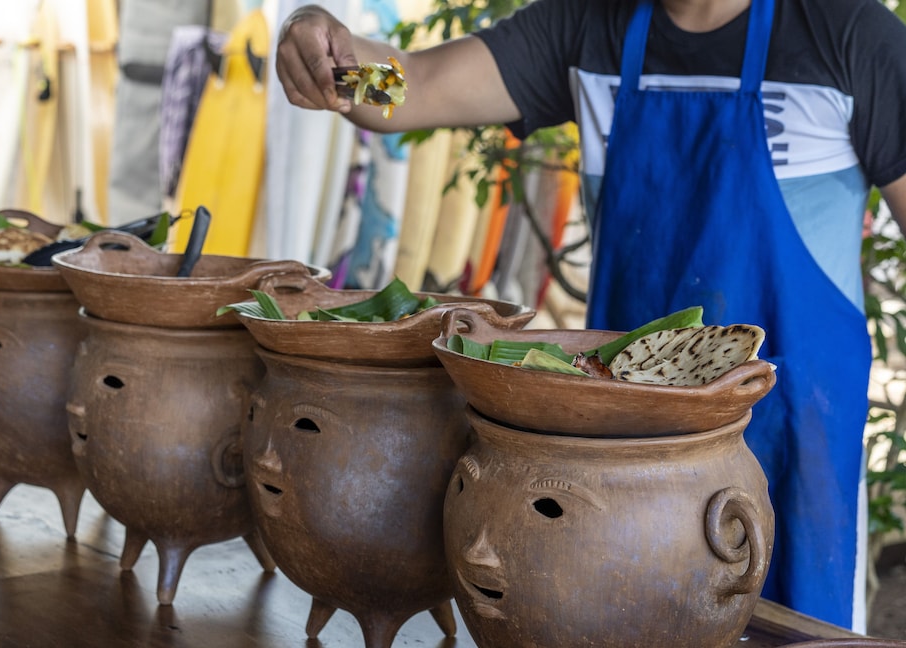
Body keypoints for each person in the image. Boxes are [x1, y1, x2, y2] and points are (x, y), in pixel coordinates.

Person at [274, 0, 906, 632]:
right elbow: (417, 87)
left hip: (795, 439)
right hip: (617, 448)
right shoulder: (586, 27)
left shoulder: (851, 38)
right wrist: (329, 63)